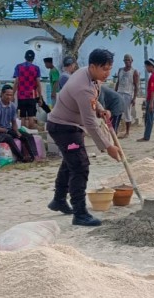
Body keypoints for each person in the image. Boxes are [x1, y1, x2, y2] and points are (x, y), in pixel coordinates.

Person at [47, 48, 120, 227]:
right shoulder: (83, 86)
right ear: (93, 66)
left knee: (70, 162)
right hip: (63, 128)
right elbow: (90, 123)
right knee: (80, 166)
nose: (107, 73)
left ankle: (58, 200)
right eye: (104, 69)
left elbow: (93, 100)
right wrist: (108, 146)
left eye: (110, 69)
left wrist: (100, 109)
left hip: (69, 125)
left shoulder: (89, 76)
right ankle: (79, 213)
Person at [0, 85, 37, 163]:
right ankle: (22, 158)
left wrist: (17, 132)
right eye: (7, 95)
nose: (9, 97)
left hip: (8, 129)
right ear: (1, 94)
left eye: (11, 95)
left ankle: (34, 157)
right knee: (9, 138)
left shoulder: (13, 106)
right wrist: (5, 130)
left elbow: (14, 122)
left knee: (27, 136)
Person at [13, 50, 42, 129]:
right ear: (33, 58)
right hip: (31, 96)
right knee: (31, 117)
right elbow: (38, 84)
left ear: (25, 57)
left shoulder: (18, 67)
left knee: (22, 117)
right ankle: (31, 136)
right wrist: (40, 98)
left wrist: (12, 95)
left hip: (21, 96)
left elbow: (16, 82)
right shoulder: (36, 68)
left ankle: (23, 136)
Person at [115, 53, 139, 138]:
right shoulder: (120, 70)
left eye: (128, 60)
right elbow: (118, 82)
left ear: (131, 61)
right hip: (119, 93)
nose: (127, 61)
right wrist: (115, 93)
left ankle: (127, 132)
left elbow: (136, 86)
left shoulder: (134, 71)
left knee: (127, 113)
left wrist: (134, 98)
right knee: (117, 112)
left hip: (128, 94)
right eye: (125, 60)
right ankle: (115, 131)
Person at [137, 58, 154, 141]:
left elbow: (153, 91)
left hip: (153, 99)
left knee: (149, 118)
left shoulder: (153, 77)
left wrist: (151, 103)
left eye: (147, 67)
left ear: (151, 66)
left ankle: (146, 136)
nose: (146, 68)